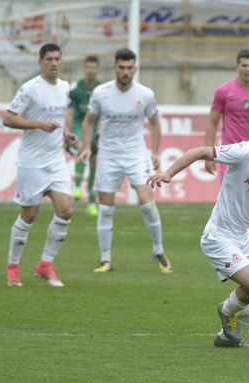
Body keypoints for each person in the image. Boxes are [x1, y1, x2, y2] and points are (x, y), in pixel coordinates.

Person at [148, 99, 249, 347]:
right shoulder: (246, 151)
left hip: (243, 236)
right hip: (219, 237)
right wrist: (168, 174)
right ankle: (227, 312)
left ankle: (227, 336)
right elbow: (200, 151)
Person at [77, 48, 171, 274]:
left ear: (135, 69)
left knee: (147, 203)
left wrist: (156, 152)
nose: (126, 72)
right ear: (114, 68)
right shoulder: (101, 93)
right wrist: (88, 147)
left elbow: (155, 123)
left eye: (130, 68)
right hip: (108, 155)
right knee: (106, 207)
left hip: (135, 153)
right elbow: (88, 122)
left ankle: (159, 251)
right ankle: (105, 259)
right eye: (122, 68)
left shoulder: (145, 94)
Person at [3, 43, 76, 288]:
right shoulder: (30, 89)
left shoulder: (65, 87)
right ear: (40, 62)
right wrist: (37, 124)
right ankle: (13, 266)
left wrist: (66, 133)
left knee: (65, 210)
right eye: (49, 59)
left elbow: (57, 118)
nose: (54, 63)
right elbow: (8, 118)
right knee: (29, 215)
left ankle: (45, 264)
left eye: (57, 59)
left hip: (55, 159)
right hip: (32, 161)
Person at [203, 49, 249, 178]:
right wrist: (209, 155)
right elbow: (212, 123)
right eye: (244, 65)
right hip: (230, 151)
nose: (247, 69)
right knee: (229, 195)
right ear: (237, 67)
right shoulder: (223, 91)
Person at [65, 55, 101, 216]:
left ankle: (92, 201)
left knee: (94, 161)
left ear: (98, 70)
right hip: (79, 125)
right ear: (84, 69)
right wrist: (67, 132)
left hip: (95, 127)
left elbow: (105, 114)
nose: (91, 71)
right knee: (80, 146)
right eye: (88, 67)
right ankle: (78, 186)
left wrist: (101, 133)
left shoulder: (102, 89)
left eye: (94, 68)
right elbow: (70, 112)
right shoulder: (76, 89)